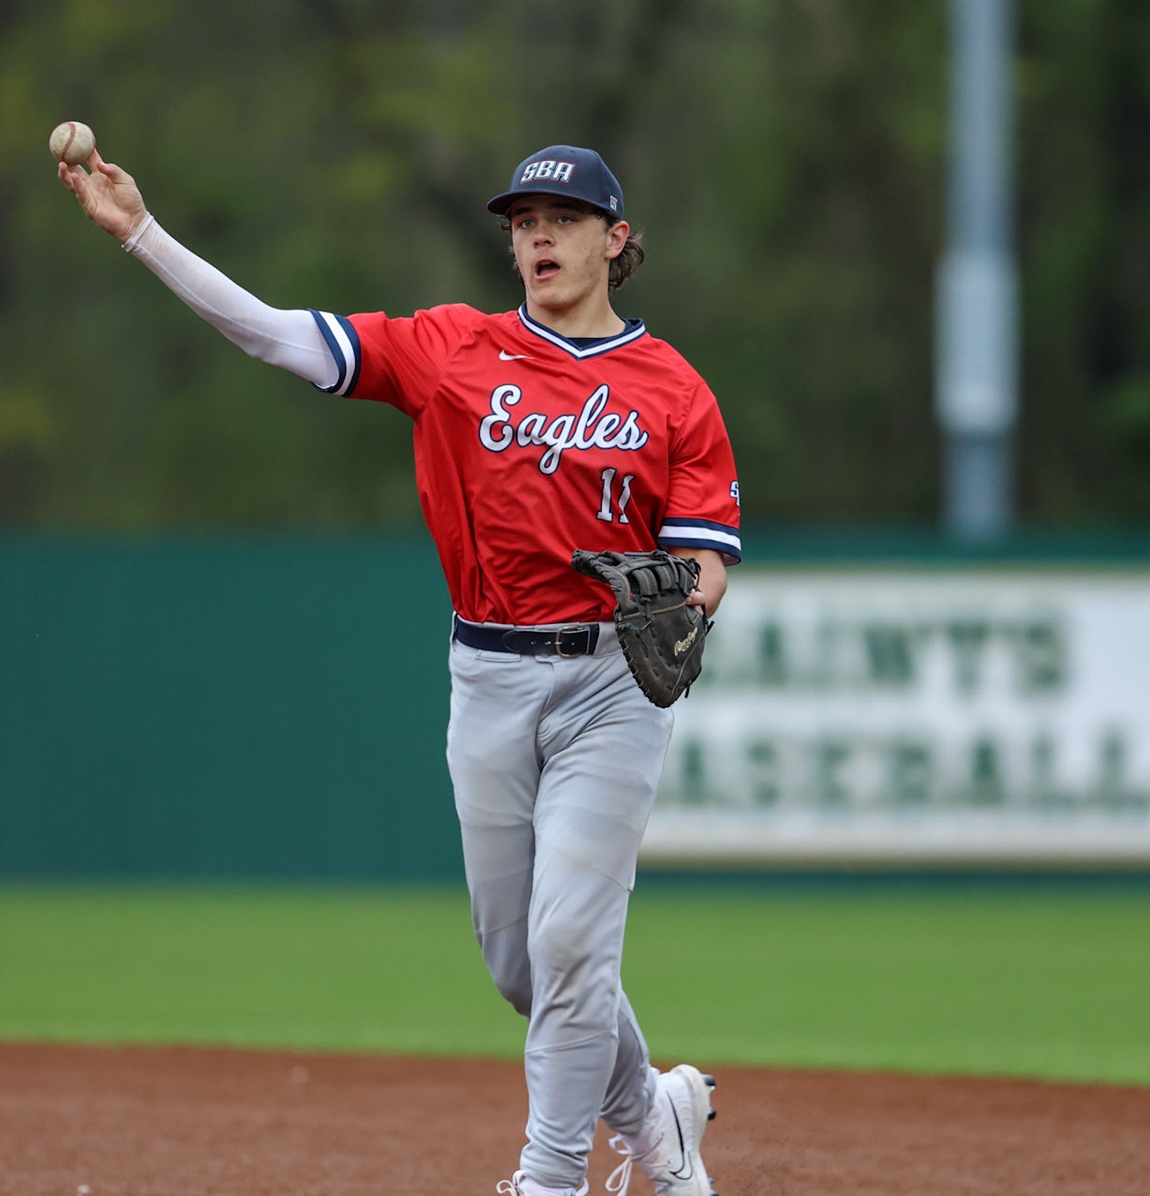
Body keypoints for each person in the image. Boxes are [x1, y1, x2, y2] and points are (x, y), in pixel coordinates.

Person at [60, 141, 741, 1196]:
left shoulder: (674, 388)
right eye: (522, 220)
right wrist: (144, 235)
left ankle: (549, 1176)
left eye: (562, 218)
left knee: (570, 938)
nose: (539, 236)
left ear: (615, 240)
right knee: (524, 964)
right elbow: (281, 338)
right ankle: (659, 1119)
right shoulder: (451, 348)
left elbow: (704, 557)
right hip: (489, 674)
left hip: (611, 682)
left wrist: (686, 595)